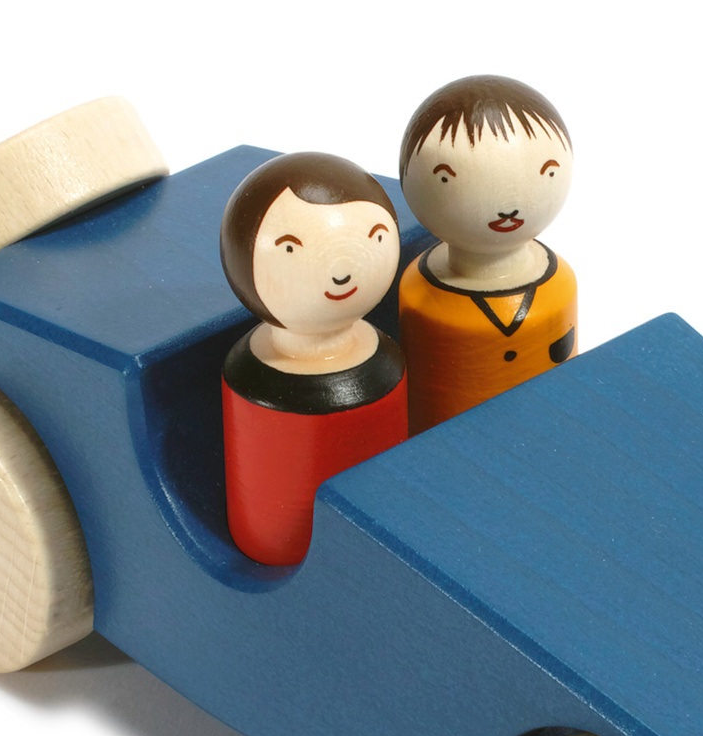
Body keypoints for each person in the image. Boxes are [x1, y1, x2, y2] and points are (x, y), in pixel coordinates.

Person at [219, 152, 407, 566]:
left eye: (374, 237)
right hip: (281, 558)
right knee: (285, 543)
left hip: (379, 561)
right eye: (290, 249)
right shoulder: (254, 375)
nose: (341, 272)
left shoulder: (383, 361)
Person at [397, 75, 576, 433]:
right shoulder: (420, 297)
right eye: (446, 179)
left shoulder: (557, 288)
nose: (507, 208)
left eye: (546, 172)